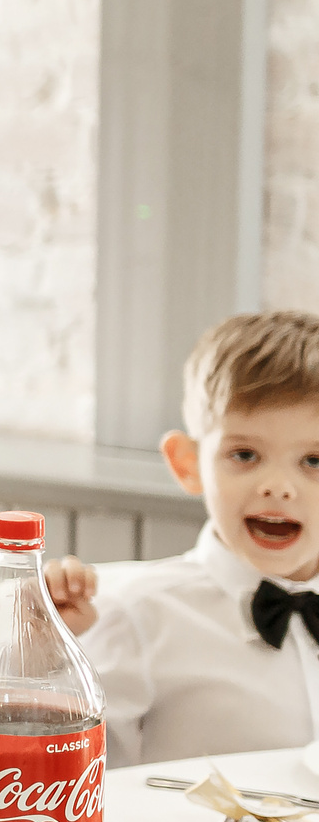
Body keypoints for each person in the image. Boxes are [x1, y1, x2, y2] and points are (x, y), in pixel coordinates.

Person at [50, 312, 319, 763]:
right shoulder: (137, 620)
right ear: (187, 463)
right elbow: (73, 785)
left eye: (314, 461)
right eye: (245, 455)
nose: (278, 486)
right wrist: (43, 665)